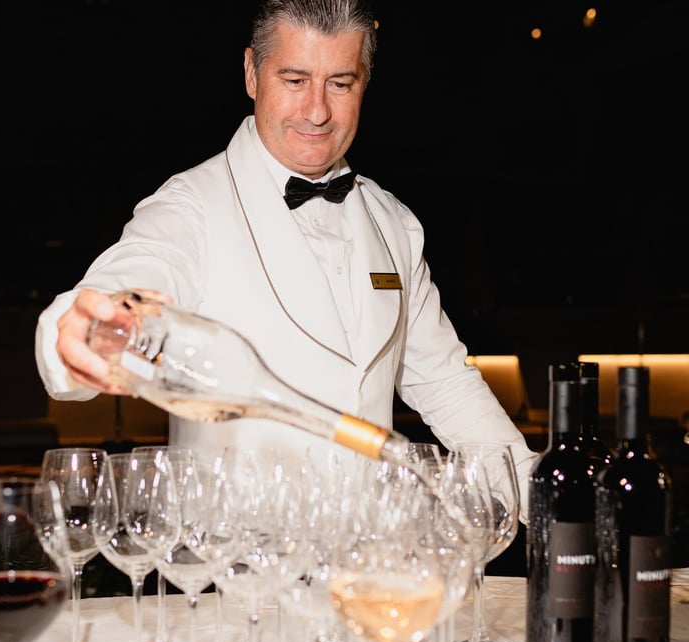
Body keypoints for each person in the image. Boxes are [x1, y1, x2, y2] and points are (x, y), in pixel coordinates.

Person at [34, 0, 539, 521]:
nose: (317, 111)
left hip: (368, 553)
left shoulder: (393, 221)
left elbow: (443, 382)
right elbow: (126, 279)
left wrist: (539, 495)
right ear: (252, 73)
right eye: (295, 80)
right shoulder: (190, 206)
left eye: (340, 83)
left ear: (364, 82)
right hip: (232, 558)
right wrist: (77, 330)